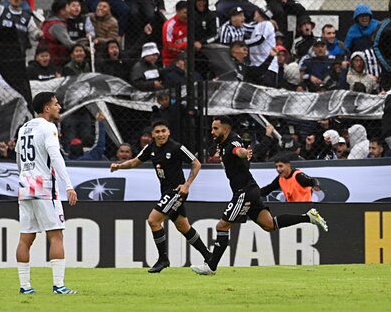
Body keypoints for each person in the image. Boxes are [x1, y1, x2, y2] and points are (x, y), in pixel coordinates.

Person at [191, 116, 328, 275]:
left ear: (225, 129)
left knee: (222, 226)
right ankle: (308, 217)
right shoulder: (227, 140)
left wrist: (244, 153)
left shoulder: (231, 144)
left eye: (215, 128)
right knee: (269, 225)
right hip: (251, 189)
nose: (212, 132)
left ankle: (211, 267)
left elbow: (238, 151)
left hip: (244, 192)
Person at [110, 119, 211, 273]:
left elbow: (196, 163)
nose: (161, 134)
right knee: (183, 226)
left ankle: (163, 259)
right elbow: (135, 162)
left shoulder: (177, 147)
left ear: (168, 132)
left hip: (176, 191)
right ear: (152, 135)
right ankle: (208, 256)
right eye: (157, 132)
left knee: (153, 220)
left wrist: (187, 185)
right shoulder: (150, 148)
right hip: (166, 192)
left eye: (163, 131)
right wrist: (119, 166)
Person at [15, 91, 78, 294]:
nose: (59, 107)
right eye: (56, 104)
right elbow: (56, 156)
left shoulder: (23, 128)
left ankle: (25, 287)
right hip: (43, 186)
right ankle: (59, 285)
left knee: (26, 238)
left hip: (25, 184)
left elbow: (18, 158)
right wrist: (68, 185)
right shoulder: (48, 127)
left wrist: (25, 176)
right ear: (47, 108)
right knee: (56, 235)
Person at [41, 0, 76, 68]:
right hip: (55, 60)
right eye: (68, 8)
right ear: (62, 11)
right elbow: (68, 44)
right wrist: (83, 44)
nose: (70, 10)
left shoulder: (49, 21)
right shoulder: (57, 25)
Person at [162, 1, 188, 67]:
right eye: (185, 13)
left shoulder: (191, 22)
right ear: (177, 11)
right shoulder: (169, 26)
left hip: (188, 59)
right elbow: (168, 46)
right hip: (171, 61)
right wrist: (187, 45)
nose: (187, 15)